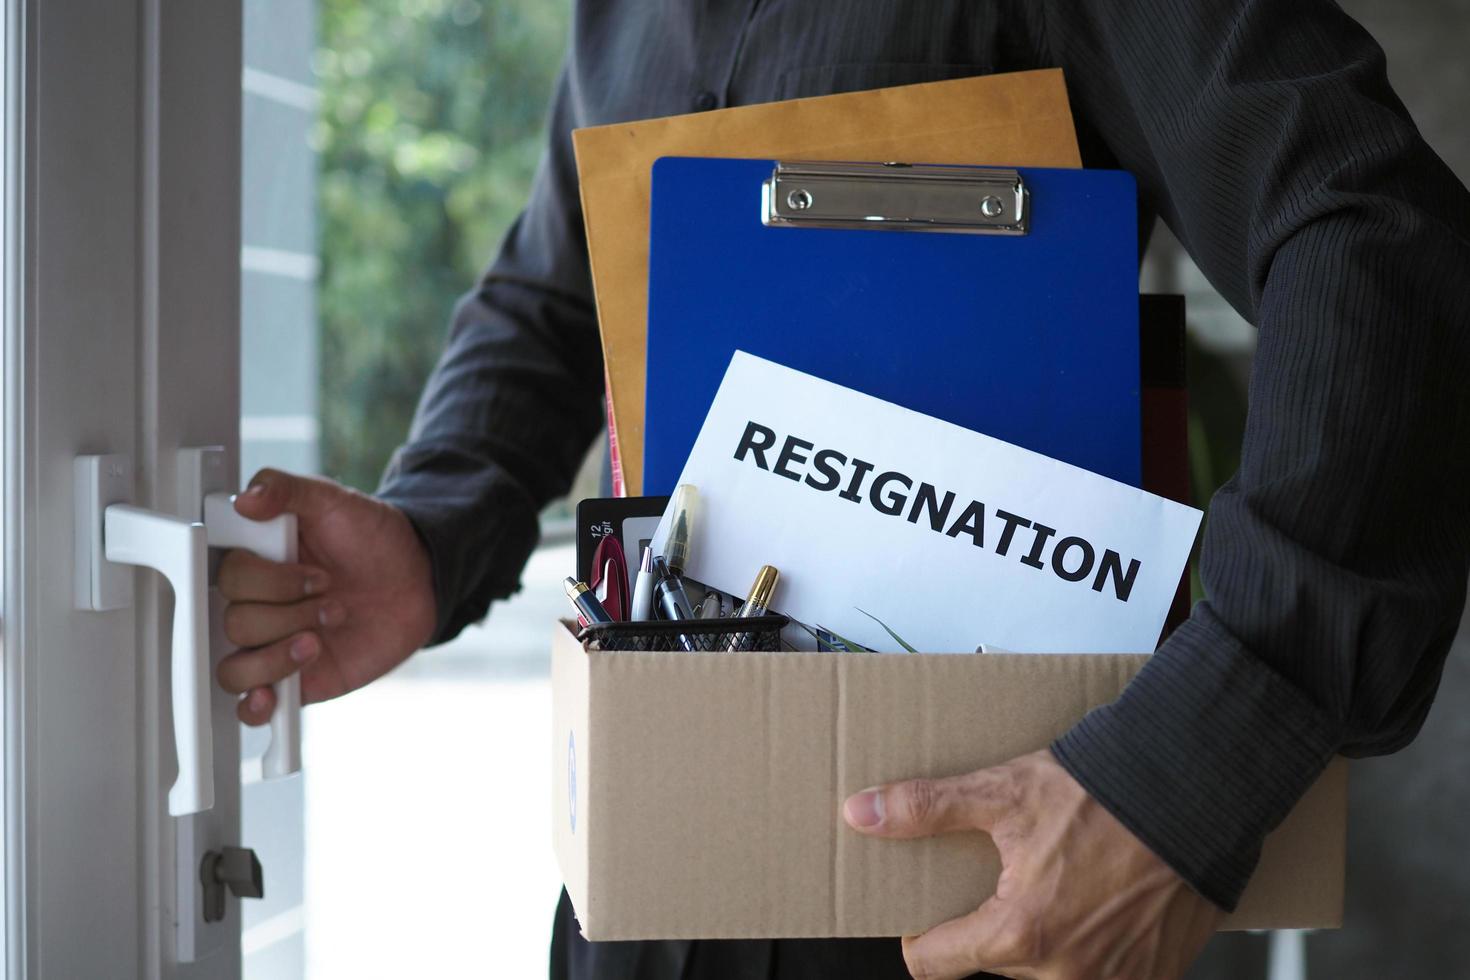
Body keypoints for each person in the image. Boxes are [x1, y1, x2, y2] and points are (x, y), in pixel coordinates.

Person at [216, 1, 1470, 977]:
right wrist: (436, 525)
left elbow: (1373, 230)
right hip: (651, 862)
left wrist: (1198, 760)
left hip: (979, 891)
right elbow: (564, 292)